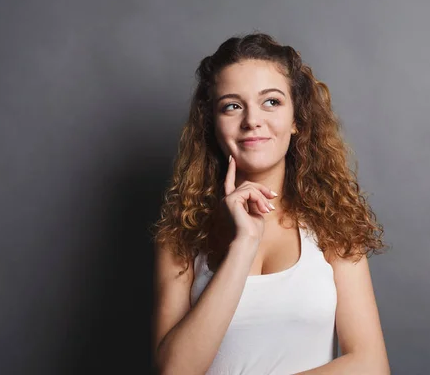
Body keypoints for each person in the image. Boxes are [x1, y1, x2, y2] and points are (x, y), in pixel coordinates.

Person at [152, 32, 390, 374]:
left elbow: (371, 365)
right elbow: (173, 371)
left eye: (271, 102)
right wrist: (244, 244)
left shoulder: (334, 223)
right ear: (212, 125)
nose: (252, 121)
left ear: (297, 120)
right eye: (232, 106)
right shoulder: (181, 235)